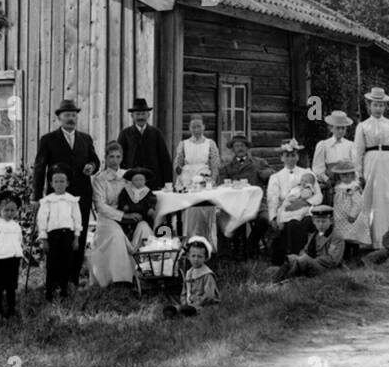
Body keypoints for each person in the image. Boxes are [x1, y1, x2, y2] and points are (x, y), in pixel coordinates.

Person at [32, 99, 100, 283]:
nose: (71, 118)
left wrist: (91, 166)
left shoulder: (85, 139)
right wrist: (36, 197)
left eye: (73, 115)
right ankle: (55, 279)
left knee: (79, 234)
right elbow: (39, 168)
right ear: (59, 118)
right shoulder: (48, 140)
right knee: (57, 236)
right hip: (57, 197)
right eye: (67, 115)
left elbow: (95, 160)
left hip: (81, 197)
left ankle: (73, 279)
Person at [355, 87, 389, 252]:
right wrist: (359, 173)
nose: (378, 108)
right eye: (375, 105)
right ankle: (375, 240)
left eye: (381, 105)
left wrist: (386, 155)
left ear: (385, 107)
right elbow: (358, 152)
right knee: (373, 199)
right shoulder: (363, 126)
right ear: (369, 105)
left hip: (388, 163)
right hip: (370, 163)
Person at [87, 142, 138, 287]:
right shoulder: (100, 178)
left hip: (128, 214)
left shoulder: (128, 175)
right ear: (106, 158)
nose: (114, 160)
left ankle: (145, 273)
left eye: (118, 157)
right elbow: (100, 206)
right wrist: (123, 216)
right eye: (111, 157)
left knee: (144, 229)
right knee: (116, 235)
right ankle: (120, 280)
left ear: (122, 158)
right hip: (107, 218)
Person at [266, 140, 322, 265]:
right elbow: (272, 199)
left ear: (297, 156)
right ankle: (295, 258)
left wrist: (305, 202)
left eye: (293, 155)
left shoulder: (307, 173)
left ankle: (305, 257)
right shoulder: (276, 177)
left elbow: (318, 196)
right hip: (286, 211)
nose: (290, 159)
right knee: (292, 224)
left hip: (306, 209)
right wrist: (273, 217)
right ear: (282, 158)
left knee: (306, 221)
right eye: (287, 156)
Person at [218, 133, 273, 258]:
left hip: (257, 203)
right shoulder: (227, 167)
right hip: (235, 204)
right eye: (236, 146)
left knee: (264, 219)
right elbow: (221, 184)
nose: (240, 148)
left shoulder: (258, 162)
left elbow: (272, 175)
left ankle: (250, 244)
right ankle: (230, 252)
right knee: (225, 218)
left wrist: (265, 174)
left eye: (242, 145)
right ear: (233, 149)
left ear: (247, 147)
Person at [35, 165, 83, 301]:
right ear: (51, 184)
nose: (59, 184)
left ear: (67, 183)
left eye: (62, 181)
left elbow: (77, 220)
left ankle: (63, 290)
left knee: (66, 263)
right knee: (52, 263)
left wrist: (76, 238)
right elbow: (42, 221)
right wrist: (44, 240)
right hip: (53, 236)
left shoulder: (72, 200)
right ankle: (49, 291)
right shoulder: (47, 201)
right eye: (56, 181)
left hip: (68, 235)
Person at [174, 114, 221, 249]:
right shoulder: (184, 144)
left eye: (199, 126)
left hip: (204, 179)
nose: (196, 129)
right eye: (193, 127)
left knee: (203, 209)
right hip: (187, 180)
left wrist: (211, 180)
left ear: (204, 127)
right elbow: (178, 161)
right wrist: (178, 168)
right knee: (188, 210)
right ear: (189, 128)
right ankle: (187, 243)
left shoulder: (210, 143)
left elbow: (215, 164)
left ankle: (206, 243)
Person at [272, 206, 344, 282]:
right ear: (313, 222)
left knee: (304, 260)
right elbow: (306, 250)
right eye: (318, 221)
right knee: (292, 257)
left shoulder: (336, 237)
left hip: (325, 268)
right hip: (311, 264)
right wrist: (300, 256)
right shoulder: (314, 235)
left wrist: (311, 260)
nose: (321, 224)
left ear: (331, 221)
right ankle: (276, 280)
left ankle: (284, 280)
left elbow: (333, 260)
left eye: (324, 221)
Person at [0, 190, 25, 318]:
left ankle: (11, 309)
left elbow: (19, 241)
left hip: (13, 259)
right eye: (6, 210)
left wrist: (19, 254)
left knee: (11, 286)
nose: (9, 213)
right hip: (0, 260)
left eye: (13, 210)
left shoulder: (16, 226)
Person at [117, 97, 174, 191]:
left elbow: (164, 159)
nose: (140, 117)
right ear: (132, 116)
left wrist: (168, 182)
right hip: (132, 180)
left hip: (153, 180)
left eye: (143, 114)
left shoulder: (156, 133)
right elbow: (119, 157)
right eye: (137, 114)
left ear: (148, 115)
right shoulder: (125, 134)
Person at [163, 236, 220, 318]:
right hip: (190, 303)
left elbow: (209, 296)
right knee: (176, 308)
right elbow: (184, 291)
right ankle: (174, 310)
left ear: (205, 258)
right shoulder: (189, 273)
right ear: (188, 256)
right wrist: (184, 302)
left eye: (200, 256)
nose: (196, 259)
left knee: (194, 310)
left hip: (204, 304)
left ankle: (187, 311)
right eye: (193, 256)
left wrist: (196, 303)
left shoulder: (207, 274)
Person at [326, 160, 371, 255]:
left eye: (348, 175)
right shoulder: (338, 187)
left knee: (353, 235)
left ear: (353, 175)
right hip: (340, 216)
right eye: (343, 175)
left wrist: (353, 215)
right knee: (343, 236)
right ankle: (345, 255)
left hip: (351, 216)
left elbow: (358, 203)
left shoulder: (353, 188)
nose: (346, 177)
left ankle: (355, 255)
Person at [116, 167, 158, 249]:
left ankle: (145, 246)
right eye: (136, 180)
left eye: (141, 180)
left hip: (143, 216)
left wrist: (151, 208)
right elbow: (121, 199)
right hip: (129, 216)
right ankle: (132, 245)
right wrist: (124, 205)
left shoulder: (147, 191)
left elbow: (152, 200)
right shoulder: (126, 190)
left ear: (145, 181)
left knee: (144, 226)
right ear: (131, 181)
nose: (139, 182)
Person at [312, 111, 356, 185]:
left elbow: (355, 164)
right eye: (338, 128)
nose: (341, 131)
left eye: (343, 128)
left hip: (347, 180)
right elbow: (318, 167)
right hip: (330, 180)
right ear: (331, 128)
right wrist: (326, 179)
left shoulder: (350, 145)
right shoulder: (324, 145)